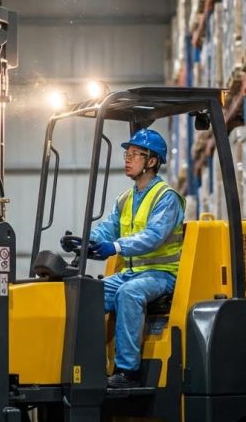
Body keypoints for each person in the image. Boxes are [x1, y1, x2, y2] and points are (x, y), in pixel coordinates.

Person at [63, 128, 185, 389]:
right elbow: (108, 228)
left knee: (129, 294)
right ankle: (88, 365)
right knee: (88, 294)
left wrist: (115, 247)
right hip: (132, 272)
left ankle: (127, 371)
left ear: (151, 161)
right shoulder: (125, 198)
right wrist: (85, 242)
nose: (127, 159)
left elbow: (154, 236)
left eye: (134, 155)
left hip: (162, 274)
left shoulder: (166, 198)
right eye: (126, 154)